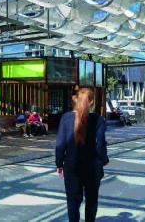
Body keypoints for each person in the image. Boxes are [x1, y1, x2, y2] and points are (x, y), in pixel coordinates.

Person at [56, 87, 109, 222]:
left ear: (77, 100)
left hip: (72, 166)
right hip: (92, 167)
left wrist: (59, 163)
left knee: (73, 202)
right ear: (91, 102)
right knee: (91, 201)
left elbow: (60, 144)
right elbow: (100, 143)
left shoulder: (66, 118)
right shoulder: (99, 119)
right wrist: (104, 159)